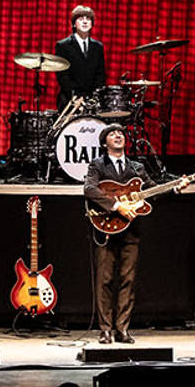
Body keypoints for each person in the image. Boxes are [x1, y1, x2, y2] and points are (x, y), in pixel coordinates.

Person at [82, 124, 146, 344]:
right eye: (112, 133)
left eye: (120, 133)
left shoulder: (137, 168)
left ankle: (122, 328)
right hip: (106, 227)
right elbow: (90, 189)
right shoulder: (98, 165)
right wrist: (116, 205)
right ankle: (105, 329)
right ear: (104, 142)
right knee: (105, 279)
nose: (118, 135)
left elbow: (152, 190)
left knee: (128, 279)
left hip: (131, 230)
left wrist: (177, 186)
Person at [54, 5, 107, 109]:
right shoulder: (63, 45)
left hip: (92, 101)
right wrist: (77, 97)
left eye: (88, 19)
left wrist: (93, 97)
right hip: (70, 100)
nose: (85, 21)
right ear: (74, 23)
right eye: (81, 18)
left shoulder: (98, 47)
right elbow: (62, 76)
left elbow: (100, 75)